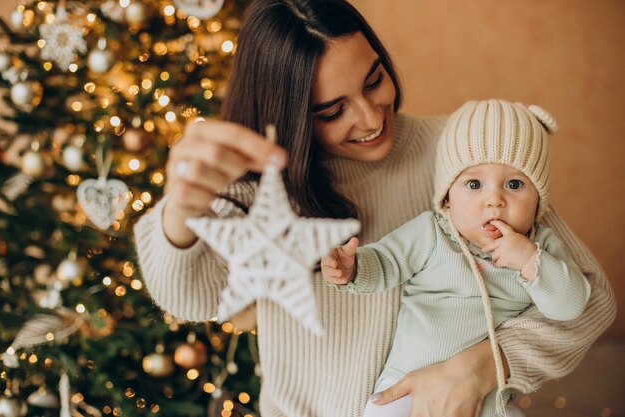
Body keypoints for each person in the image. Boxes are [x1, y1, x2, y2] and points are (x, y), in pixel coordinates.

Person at [133, 1, 616, 416]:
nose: (369, 117)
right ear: (287, 114)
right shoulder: (264, 190)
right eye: (331, 110)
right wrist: (180, 212)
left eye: (374, 79)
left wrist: (486, 365)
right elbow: (188, 297)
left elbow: (590, 302)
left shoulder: (465, 159)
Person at [321, 99, 592, 417]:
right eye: (474, 184)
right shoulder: (432, 233)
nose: (495, 200)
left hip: (487, 399)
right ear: (447, 196)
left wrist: (530, 261)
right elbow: (387, 261)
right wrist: (354, 268)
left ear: (538, 200)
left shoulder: (542, 247)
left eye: (514, 184)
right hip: (404, 387)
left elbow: (571, 307)